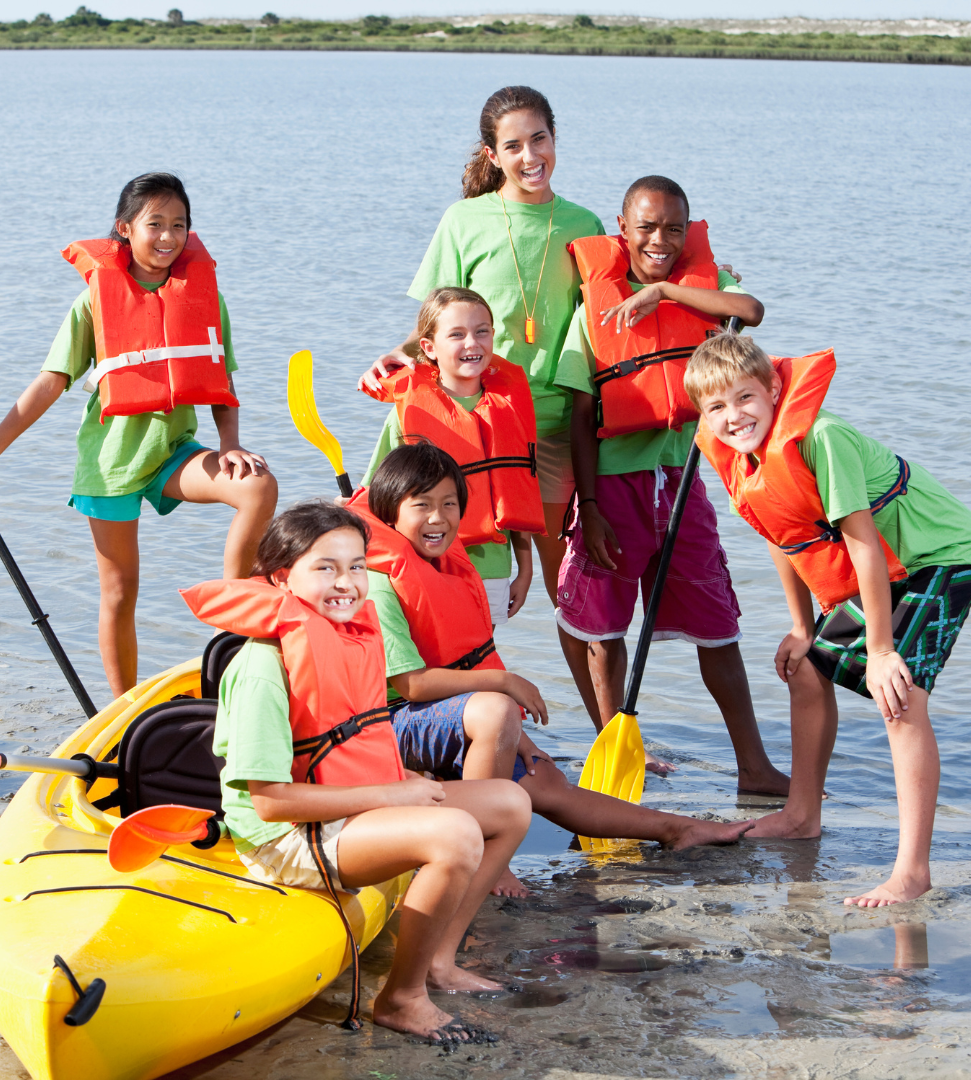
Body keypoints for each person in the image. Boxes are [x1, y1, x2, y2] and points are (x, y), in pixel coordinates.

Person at [181, 502, 531, 1039]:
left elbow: (358, 742)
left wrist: (405, 785)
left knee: (509, 803)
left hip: (347, 807)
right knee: (456, 834)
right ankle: (401, 998)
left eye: (357, 566)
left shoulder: (351, 639)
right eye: (325, 567)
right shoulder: (262, 667)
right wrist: (392, 797)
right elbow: (272, 802)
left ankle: (437, 960)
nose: (345, 583)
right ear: (280, 576)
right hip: (285, 837)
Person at [348, 443, 756, 896]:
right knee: (498, 711)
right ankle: (483, 854)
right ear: (388, 512)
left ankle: (677, 829)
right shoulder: (379, 586)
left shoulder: (447, 568)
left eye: (449, 504)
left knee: (546, 780)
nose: (438, 518)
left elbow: (464, 661)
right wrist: (505, 683)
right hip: (388, 726)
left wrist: (517, 742)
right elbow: (412, 684)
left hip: (443, 717)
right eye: (420, 506)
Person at [0, 173, 277, 698]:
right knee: (120, 592)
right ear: (125, 229)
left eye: (179, 225)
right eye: (155, 224)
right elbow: (50, 382)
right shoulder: (91, 304)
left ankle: (234, 623)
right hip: (111, 465)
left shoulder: (206, 298)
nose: (167, 237)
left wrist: (230, 444)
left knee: (257, 486)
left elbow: (221, 380)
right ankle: (123, 710)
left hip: (174, 453)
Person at [685, 333, 971, 907]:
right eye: (716, 407)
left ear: (772, 388)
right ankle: (800, 816)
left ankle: (912, 871)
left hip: (938, 555)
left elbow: (862, 542)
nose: (733, 416)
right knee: (809, 667)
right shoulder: (742, 455)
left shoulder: (822, 436)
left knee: (898, 693)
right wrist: (801, 626)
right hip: (890, 569)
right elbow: (783, 535)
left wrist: (884, 650)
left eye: (745, 398)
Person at [554, 174, 788, 795]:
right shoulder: (595, 310)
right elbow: (581, 417)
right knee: (603, 630)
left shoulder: (700, 293)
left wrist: (664, 290)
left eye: (674, 229)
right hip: (614, 485)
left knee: (718, 622)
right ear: (622, 229)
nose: (660, 238)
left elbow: (752, 312)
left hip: (681, 481)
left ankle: (754, 765)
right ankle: (616, 759)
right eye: (647, 227)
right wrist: (592, 507)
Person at [358, 85, 603, 607]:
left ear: (555, 139)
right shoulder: (463, 220)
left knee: (569, 592)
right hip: (476, 421)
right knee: (458, 571)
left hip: (556, 425)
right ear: (493, 155)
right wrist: (401, 351)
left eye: (539, 140)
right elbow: (432, 322)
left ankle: (587, 693)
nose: (530, 157)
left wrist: (715, 281)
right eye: (513, 146)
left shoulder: (587, 226)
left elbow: (615, 312)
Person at [360, 286, 543, 624]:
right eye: (456, 335)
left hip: (492, 568)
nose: (472, 344)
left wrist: (526, 569)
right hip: (424, 565)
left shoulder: (511, 406)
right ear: (429, 347)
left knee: (477, 661)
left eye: (482, 331)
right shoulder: (408, 411)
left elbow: (517, 489)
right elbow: (372, 494)